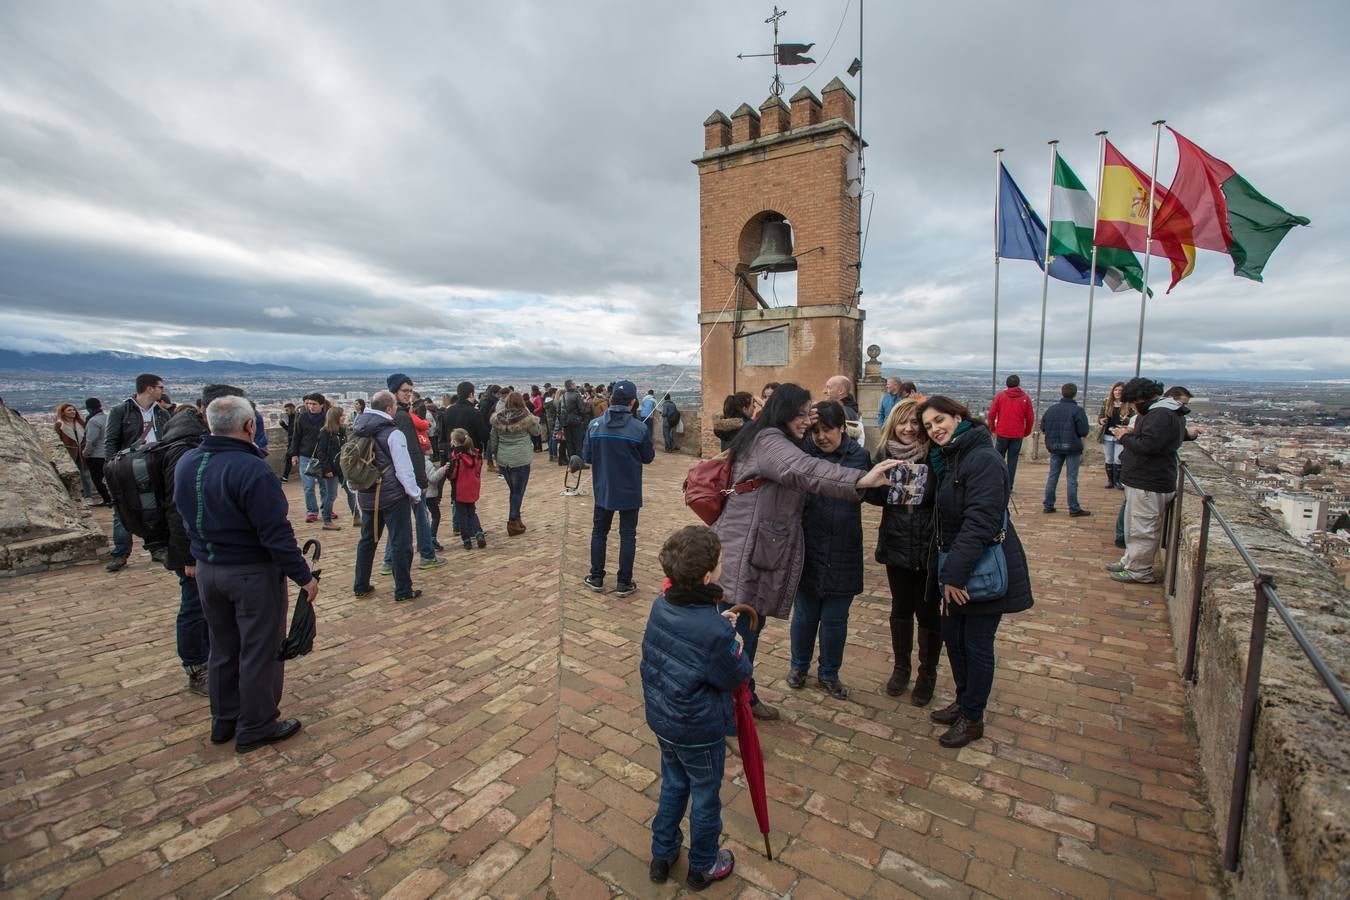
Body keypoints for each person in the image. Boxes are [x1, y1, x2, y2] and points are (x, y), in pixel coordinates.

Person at [713, 384, 899, 719]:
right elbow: (806, 470)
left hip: (753, 545)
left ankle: (743, 698)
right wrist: (861, 479)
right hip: (746, 547)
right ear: (784, 412)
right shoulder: (769, 440)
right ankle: (729, 709)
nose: (806, 421)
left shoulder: (767, 436)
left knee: (746, 626)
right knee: (738, 631)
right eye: (801, 414)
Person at [173, 395, 316, 753]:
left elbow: (182, 515)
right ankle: (257, 724)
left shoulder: (187, 463)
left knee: (222, 648)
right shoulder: (251, 469)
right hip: (250, 572)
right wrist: (303, 575)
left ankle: (224, 720)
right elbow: (275, 533)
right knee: (259, 650)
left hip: (208, 569)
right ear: (250, 425)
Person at [918, 395, 1033, 749]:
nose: (934, 429)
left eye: (939, 420)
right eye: (928, 426)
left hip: (978, 568)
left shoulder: (982, 458)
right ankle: (964, 701)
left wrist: (953, 575)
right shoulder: (949, 457)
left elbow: (980, 522)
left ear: (958, 416)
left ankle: (973, 717)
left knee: (976, 644)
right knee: (955, 638)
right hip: (957, 563)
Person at [640, 525, 747, 891]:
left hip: (664, 720)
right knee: (704, 795)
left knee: (673, 783)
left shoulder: (661, 604)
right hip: (698, 730)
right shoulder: (715, 632)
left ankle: (663, 852)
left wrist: (718, 624)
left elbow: (688, 641)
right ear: (706, 576)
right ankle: (703, 864)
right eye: (719, 562)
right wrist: (733, 640)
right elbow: (736, 674)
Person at [161, 383, 245, 698]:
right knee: (194, 606)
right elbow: (177, 506)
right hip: (195, 548)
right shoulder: (186, 446)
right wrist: (187, 557)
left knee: (206, 607)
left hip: (202, 543)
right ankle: (197, 666)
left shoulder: (191, 436)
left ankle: (216, 660)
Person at [787, 401, 871, 700]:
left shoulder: (858, 456)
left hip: (843, 545)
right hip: (808, 544)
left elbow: (867, 493)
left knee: (835, 619)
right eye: (815, 431)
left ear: (841, 428)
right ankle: (799, 666)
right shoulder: (801, 453)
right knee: (804, 616)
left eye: (827, 430)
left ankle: (829, 672)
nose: (821, 437)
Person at [868, 397, 939, 703]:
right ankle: (901, 668)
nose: (908, 428)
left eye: (914, 422)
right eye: (902, 422)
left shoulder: (936, 454)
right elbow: (872, 497)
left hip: (928, 542)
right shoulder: (884, 454)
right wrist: (882, 488)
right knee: (900, 608)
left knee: (928, 611)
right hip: (897, 539)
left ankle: (927, 673)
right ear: (892, 425)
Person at [1107, 378, 1188, 585]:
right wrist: (1133, 434)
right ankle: (1130, 562)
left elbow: (1149, 446)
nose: (1134, 407)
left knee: (1143, 529)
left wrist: (1124, 437)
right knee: (1134, 526)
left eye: (1133, 403)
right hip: (1146, 479)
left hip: (1148, 481)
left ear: (1141, 398)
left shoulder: (1160, 414)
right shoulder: (1166, 412)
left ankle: (1139, 571)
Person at [582, 380, 654, 597]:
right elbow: (648, 457)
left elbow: (587, 456)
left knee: (599, 532)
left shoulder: (594, 425)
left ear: (611, 399)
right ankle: (624, 582)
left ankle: (596, 576)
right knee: (628, 535)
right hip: (629, 489)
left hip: (603, 488)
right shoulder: (639, 428)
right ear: (632, 402)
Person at [351, 390, 423, 602]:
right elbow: (403, 469)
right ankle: (403, 589)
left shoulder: (358, 429)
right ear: (389, 408)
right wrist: (414, 493)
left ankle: (361, 584)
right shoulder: (393, 433)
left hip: (367, 493)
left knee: (367, 540)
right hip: (392, 495)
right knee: (401, 542)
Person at [104, 373, 171, 571]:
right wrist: (111, 469)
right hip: (127, 468)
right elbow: (111, 442)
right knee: (122, 509)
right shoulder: (121, 411)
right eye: (160, 387)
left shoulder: (162, 414)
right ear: (149, 388)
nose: (162, 391)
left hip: (154, 466)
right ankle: (121, 552)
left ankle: (157, 547)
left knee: (156, 508)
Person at [386, 374, 445, 571]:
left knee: (398, 521)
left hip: (396, 474)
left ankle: (389, 561)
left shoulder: (392, 414)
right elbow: (412, 450)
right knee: (420, 516)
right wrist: (421, 479)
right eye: (404, 391)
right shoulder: (402, 417)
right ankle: (427, 554)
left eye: (410, 391)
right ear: (394, 391)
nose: (408, 394)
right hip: (409, 475)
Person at [491, 391, 542, 536]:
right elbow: (537, 431)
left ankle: (517, 518)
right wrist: (531, 415)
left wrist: (496, 455)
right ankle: (512, 520)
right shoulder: (526, 417)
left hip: (504, 459)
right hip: (520, 459)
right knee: (518, 492)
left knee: (514, 491)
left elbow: (493, 439)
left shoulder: (498, 418)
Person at [1040, 383, 1091, 517]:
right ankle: (1073, 508)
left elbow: (1043, 427)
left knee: (1052, 476)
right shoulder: (1078, 410)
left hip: (1054, 446)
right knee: (1072, 478)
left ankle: (1048, 505)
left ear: (1061, 393)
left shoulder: (1051, 409)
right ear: (1075, 394)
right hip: (1072, 447)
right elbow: (1084, 431)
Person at [988, 374, 1034, 490]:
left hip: (1002, 432)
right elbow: (1030, 417)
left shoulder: (1000, 396)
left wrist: (992, 428)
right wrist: (1027, 431)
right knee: (1012, 460)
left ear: (1007, 384)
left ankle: (997, 483)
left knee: (998, 459)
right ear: (1018, 384)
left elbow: (992, 413)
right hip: (1017, 433)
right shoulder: (1025, 398)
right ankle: (1009, 485)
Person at [287, 393, 327, 523]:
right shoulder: (302, 418)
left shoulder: (327, 418)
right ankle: (312, 511)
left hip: (323, 456)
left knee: (324, 486)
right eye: (309, 403)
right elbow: (296, 436)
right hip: (305, 455)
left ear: (322, 405)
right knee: (308, 486)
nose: (311, 406)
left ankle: (326, 509)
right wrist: (294, 454)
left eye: (314, 404)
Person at [447, 428, 486, 550]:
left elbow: (452, 474)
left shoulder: (456, 456)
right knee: (472, 512)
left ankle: (466, 540)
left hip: (459, 489)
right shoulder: (476, 454)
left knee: (462, 516)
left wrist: (447, 470)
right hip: (472, 487)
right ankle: (479, 533)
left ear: (455, 441)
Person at [311, 406, 346, 530]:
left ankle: (357, 516)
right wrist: (327, 469)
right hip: (331, 469)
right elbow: (321, 452)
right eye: (342, 415)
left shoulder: (341, 431)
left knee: (351, 492)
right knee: (331, 496)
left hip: (341, 468)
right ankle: (327, 521)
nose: (344, 417)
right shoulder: (325, 432)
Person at [53, 402, 94, 503]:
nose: (73, 412)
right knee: (73, 476)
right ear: (63, 412)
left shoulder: (80, 423)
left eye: (73, 410)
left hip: (82, 454)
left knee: (85, 475)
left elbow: (87, 437)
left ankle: (88, 496)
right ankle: (77, 496)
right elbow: (57, 439)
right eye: (69, 410)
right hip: (70, 454)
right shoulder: (59, 425)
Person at [1098, 382, 1130, 489]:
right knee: (1109, 458)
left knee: (1118, 458)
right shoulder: (1107, 402)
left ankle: (1118, 481)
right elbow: (1100, 417)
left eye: (1120, 390)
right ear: (1112, 391)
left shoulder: (1128, 404)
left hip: (1120, 435)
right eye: (1116, 390)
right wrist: (1101, 421)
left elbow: (1132, 420)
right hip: (1108, 435)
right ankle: (1110, 481)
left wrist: (1127, 419)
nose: (1118, 392)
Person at [82, 398, 112, 506]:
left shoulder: (93, 421)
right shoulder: (108, 418)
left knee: (97, 479)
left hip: (96, 455)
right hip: (110, 452)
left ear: (88, 408)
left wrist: (85, 453)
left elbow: (91, 440)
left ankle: (107, 499)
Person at [561, 381, 590, 469]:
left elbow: (560, 410)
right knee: (578, 442)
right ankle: (580, 463)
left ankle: (572, 463)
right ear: (571, 386)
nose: (575, 385)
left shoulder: (563, 396)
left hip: (566, 422)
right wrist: (587, 404)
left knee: (570, 443)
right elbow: (582, 410)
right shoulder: (576, 395)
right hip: (576, 422)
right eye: (574, 384)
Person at [278, 402, 297, 482]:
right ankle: (285, 477)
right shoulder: (292, 417)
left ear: (292, 409)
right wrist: (283, 425)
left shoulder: (295, 418)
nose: (286, 412)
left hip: (294, 442)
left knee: (289, 459)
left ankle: (285, 477)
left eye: (287, 410)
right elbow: (291, 430)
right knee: (289, 459)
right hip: (293, 442)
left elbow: (293, 431)